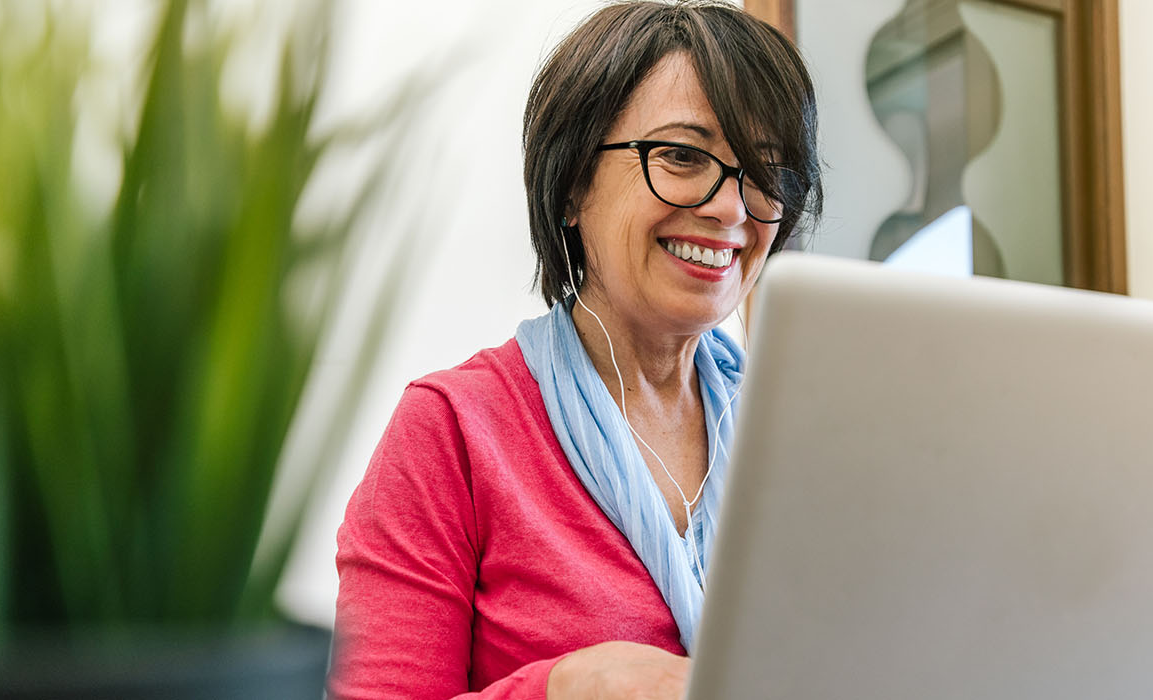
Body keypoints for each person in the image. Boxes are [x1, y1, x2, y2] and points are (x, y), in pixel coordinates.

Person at [325, 2, 821, 698]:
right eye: (682, 155)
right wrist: (563, 688)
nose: (732, 209)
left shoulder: (803, 433)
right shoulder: (452, 433)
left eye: (765, 170)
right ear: (571, 185)